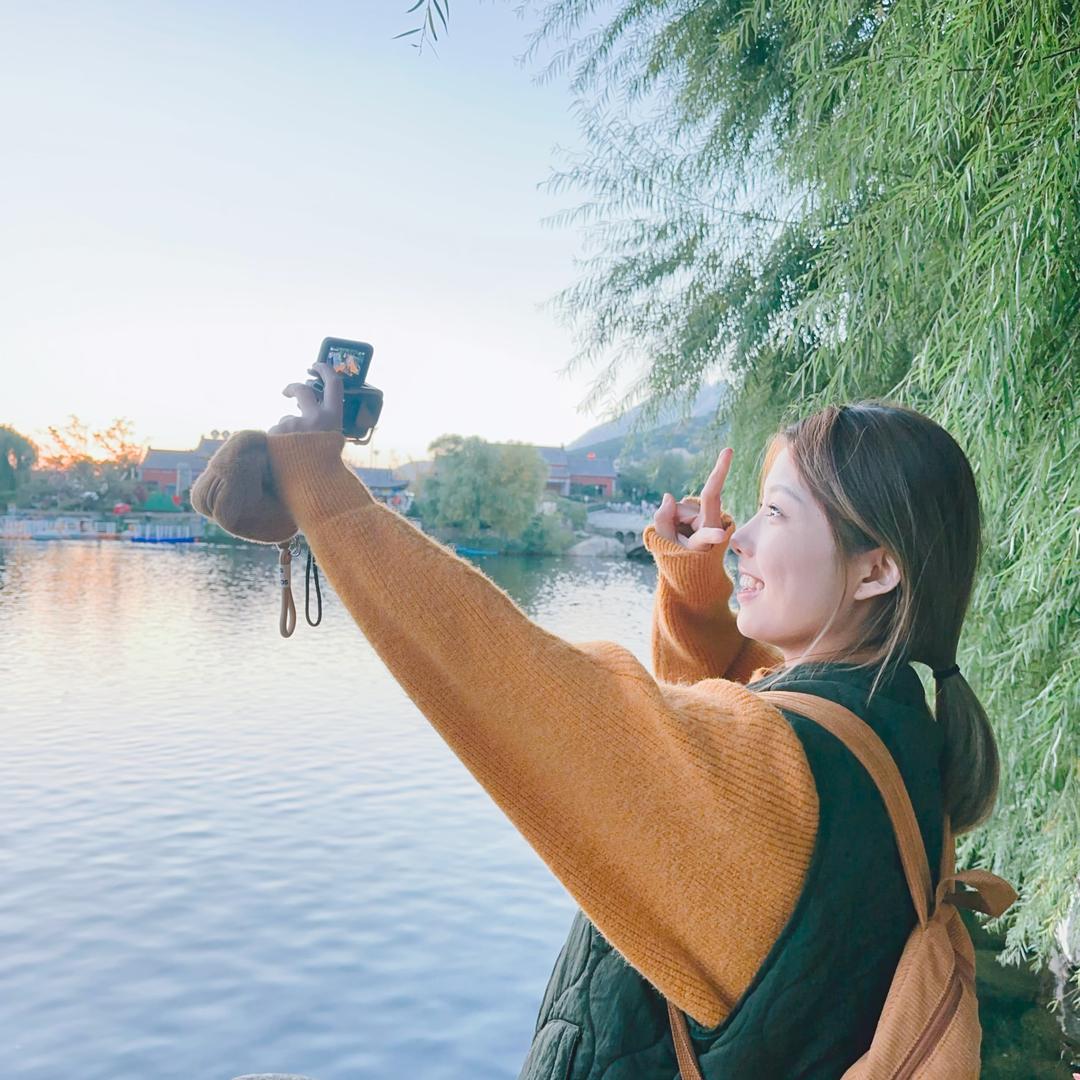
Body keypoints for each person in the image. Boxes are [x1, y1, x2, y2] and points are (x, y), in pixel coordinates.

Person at [191, 365, 1000, 1079]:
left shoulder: (777, 774)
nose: (740, 538)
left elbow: (501, 672)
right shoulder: (894, 737)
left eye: (777, 516)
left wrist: (322, 493)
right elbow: (717, 813)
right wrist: (692, 589)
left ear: (877, 569)